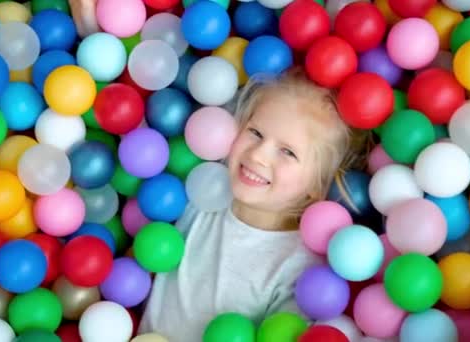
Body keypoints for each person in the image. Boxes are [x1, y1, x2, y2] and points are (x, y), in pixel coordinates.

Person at [68, 3, 371, 340]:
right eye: (255, 133)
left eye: (287, 152)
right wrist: (93, 31)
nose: (258, 154)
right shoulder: (200, 193)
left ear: (317, 186)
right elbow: (131, 127)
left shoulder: (299, 266)